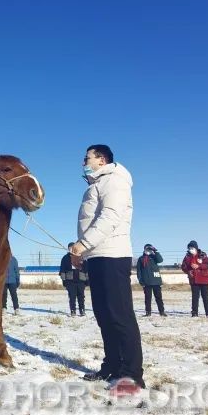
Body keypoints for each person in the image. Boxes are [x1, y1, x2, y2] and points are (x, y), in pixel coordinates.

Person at [69, 144, 144, 394]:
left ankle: (132, 375)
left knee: (120, 316)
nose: (83, 162)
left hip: (113, 255)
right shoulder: (96, 184)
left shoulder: (115, 181)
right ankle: (111, 365)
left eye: (86, 157)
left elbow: (110, 217)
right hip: (97, 256)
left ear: (101, 159)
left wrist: (83, 244)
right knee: (104, 316)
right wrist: (82, 251)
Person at [181, 240, 208, 318]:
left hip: (204, 279)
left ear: (196, 248)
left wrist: (199, 266)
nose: (190, 249)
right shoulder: (187, 257)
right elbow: (183, 266)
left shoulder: (203, 255)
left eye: (192, 248)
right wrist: (188, 270)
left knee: (205, 297)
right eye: (189, 248)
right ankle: (194, 313)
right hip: (194, 280)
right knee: (195, 297)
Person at [136, 244, 166, 317]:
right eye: (147, 249)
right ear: (144, 250)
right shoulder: (141, 259)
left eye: (149, 249)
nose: (148, 251)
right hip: (146, 282)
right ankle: (148, 312)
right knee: (147, 298)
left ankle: (161, 311)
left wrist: (156, 251)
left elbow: (160, 260)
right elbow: (139, 271)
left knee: (159, 297)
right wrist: (140, 280)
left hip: (156, 281)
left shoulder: (154, 257)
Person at [60, 243, 88, 316]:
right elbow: (62, 270)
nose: (72, 249)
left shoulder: (82, 257)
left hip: (81, 281)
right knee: (72, 297)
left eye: (73, 247)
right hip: (70, 281)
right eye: (70, 248)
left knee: (81, 297)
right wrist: (64, 281)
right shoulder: (65, 258)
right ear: (68, 249)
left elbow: (86, 270)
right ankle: (73, 310)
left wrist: (87, 281)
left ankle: (82, 310)